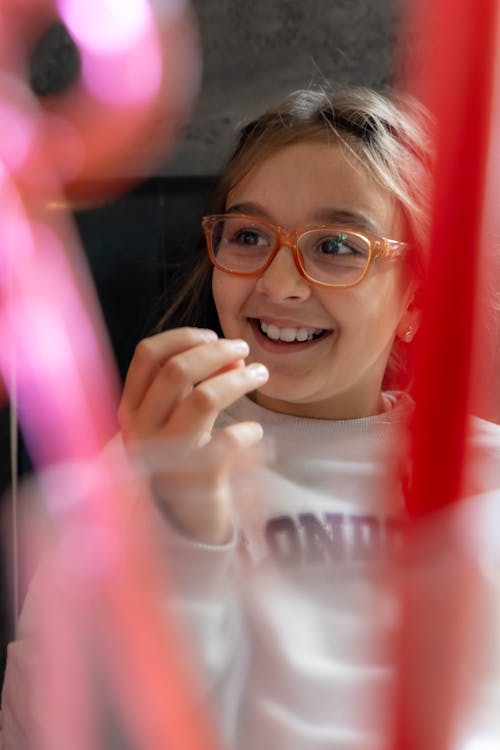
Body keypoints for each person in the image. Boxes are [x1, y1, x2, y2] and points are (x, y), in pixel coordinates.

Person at [2, 86, 500, 749]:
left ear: (416, 297)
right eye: (248, 236)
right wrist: (169, 523)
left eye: (337, 247)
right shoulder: (143, 459)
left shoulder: (483, 481)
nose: (279, 284)